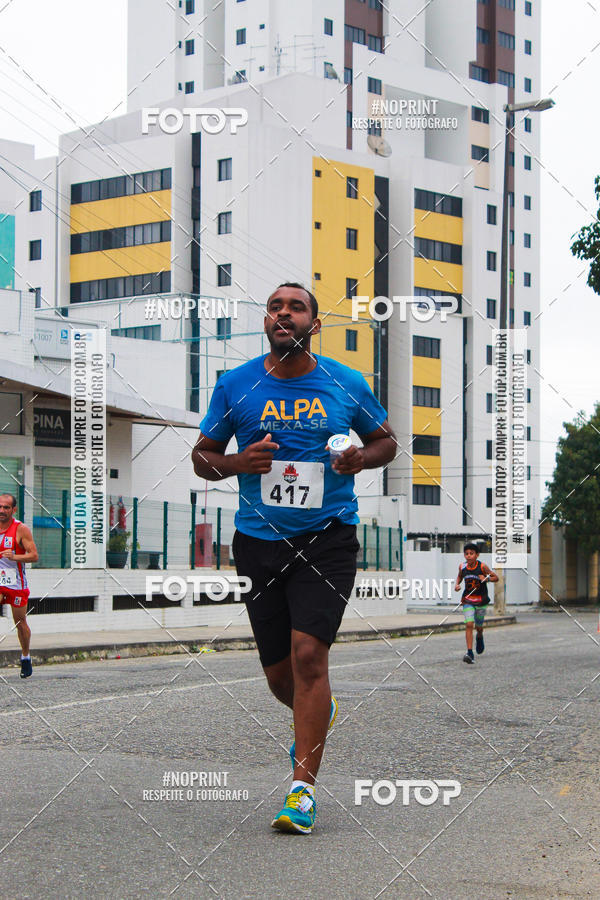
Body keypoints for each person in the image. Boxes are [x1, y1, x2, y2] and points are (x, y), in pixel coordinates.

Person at [192, 282, 396, 833]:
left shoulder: (345, 381)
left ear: (314, 323)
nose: (284, 313)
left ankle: (302, 792)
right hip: (259, 542)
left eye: (296, 307)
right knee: (280, 676)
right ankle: (317, 714)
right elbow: (201, 458)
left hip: (327, 537)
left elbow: (387, 442)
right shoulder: (236, 384)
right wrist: (238, 463)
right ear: (266, 320)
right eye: (276, 306)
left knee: (310, 658)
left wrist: (359, 457)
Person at [0, 493, 39, 678]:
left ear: (13, 510)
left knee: (20, 622)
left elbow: (34, 555)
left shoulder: (20, 529)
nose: (2, 510)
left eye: (6, 507)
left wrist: (15, 556)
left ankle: (25, 656)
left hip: (16, 583)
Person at [454, 542, 498, 664]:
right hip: (468, 600)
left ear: (477, 555)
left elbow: (496, 577)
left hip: (481, 600)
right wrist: (457, 584)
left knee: (478, 626)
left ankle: (479, 636)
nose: (469, 556)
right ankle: (469, 652)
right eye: (466, 554)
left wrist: (487, 578)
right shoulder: (462, 567)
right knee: (469, 624)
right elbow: (459, 576)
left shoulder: (483, 567)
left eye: (471, 554)